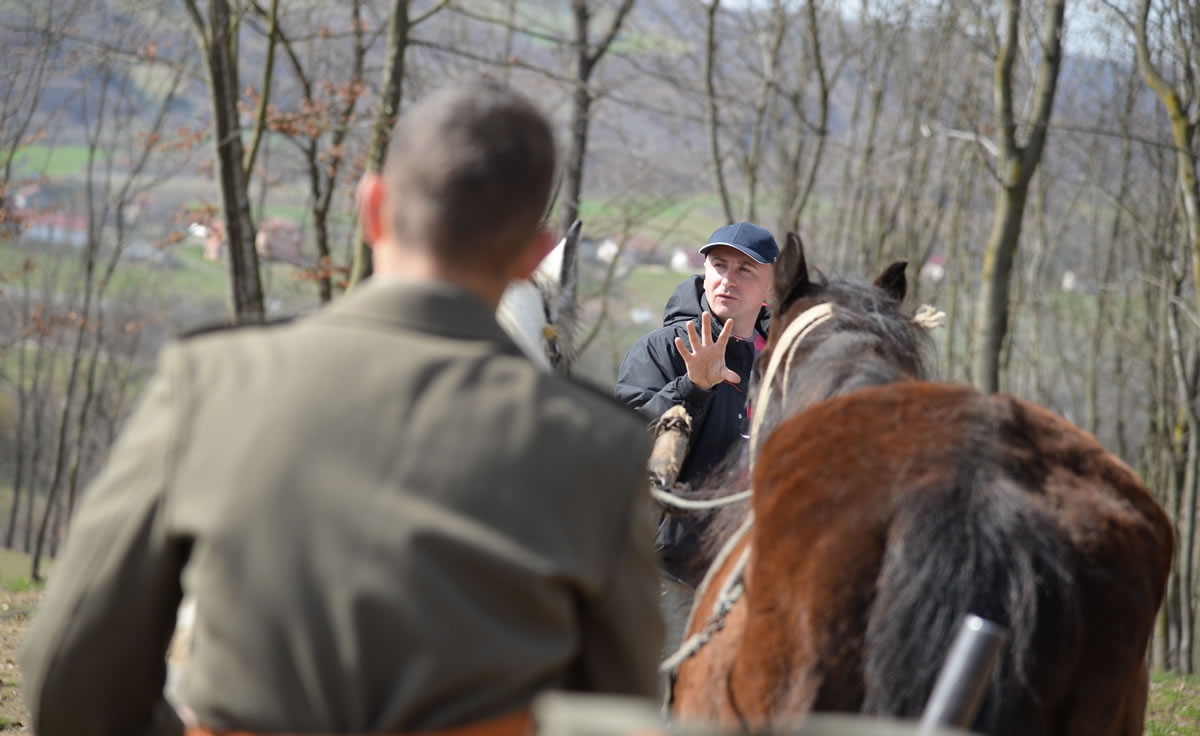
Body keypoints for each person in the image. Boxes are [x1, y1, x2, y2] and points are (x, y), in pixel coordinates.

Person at [20, 81, 664, 736]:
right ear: (534, 254)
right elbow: (620, 715)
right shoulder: (598, 447)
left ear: (372, 206)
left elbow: (67, 673)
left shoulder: (211, 384)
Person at [615, 222, 778, 589]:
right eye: (719, 265)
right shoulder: (661, 350)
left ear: (771, 286)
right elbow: (625, 446)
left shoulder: (783, 363)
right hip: (670, 571)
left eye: (745, 269)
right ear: (705, 271)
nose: (728, 280)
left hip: (759, 571)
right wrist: (693, 388)